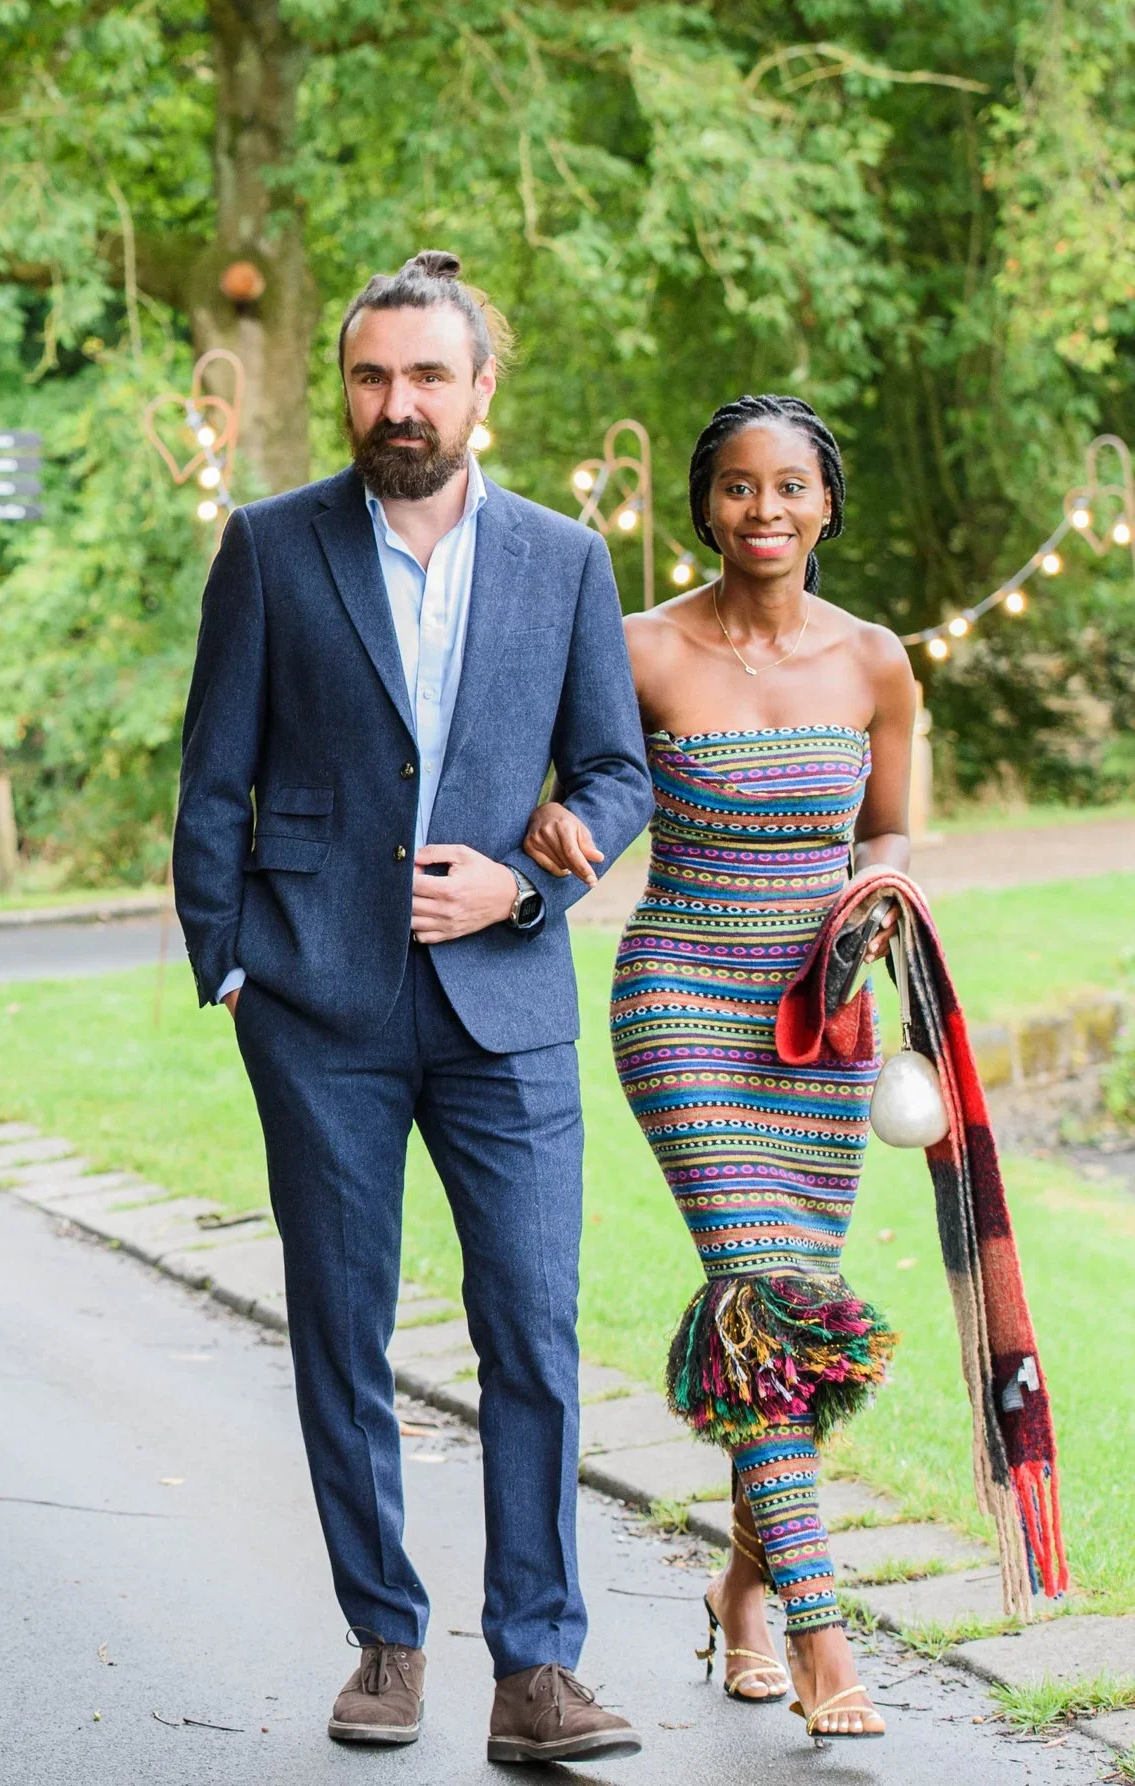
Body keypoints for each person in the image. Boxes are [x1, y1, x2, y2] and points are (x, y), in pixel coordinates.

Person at [174, 250, 652, 1765]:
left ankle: (537, 1666)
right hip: (316, 1004)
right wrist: (232, 959)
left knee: (533, 1328)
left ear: (482, 391)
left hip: (505, 1004)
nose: (399, 404)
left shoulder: (568, 561)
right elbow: (212, 773)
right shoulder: (268, 545)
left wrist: (526, 885)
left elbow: (619, 772)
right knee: (341, 1323)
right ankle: (385, 1637)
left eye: (428, 377)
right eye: (373, 377)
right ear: (348, 387)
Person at [522, 395, 912, 1743]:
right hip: (682, 995)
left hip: (822, 1023)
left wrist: (880, 900)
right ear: (704, 504)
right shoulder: (636, 647)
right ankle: (820, 1630)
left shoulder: (876, 662)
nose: (765, 511)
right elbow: (554, 779)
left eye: (790, 487)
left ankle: (742, 1586)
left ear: (825, 502)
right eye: (739, 488)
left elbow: (894, 834)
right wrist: (549, 818)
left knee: (798, 1307)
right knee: (755, 1288)